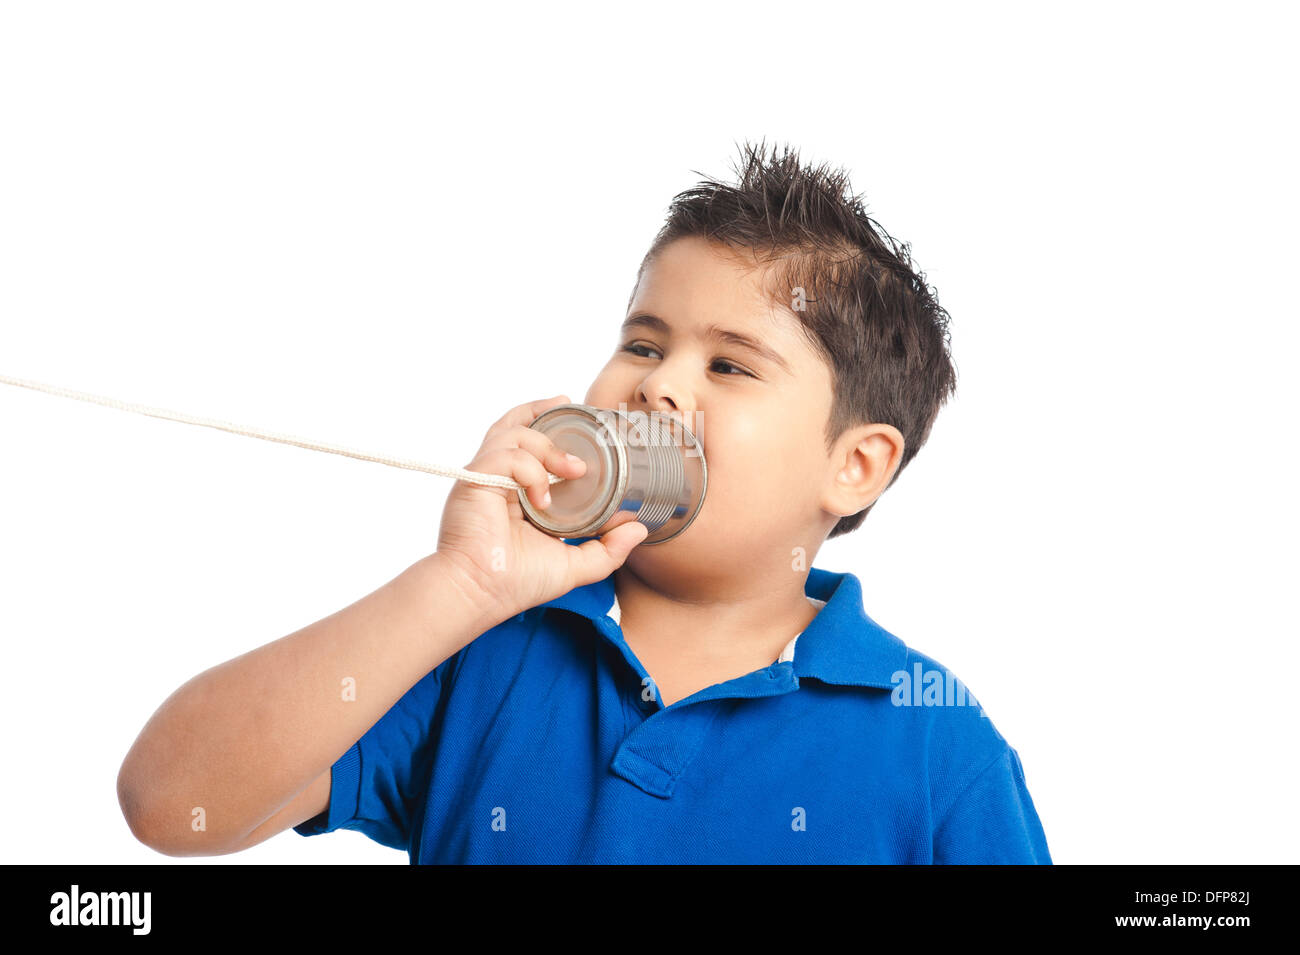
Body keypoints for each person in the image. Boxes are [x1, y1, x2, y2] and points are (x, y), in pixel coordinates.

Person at [117, 140, 1051, 863]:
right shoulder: (483, 649)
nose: (660, 387)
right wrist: (463, 584)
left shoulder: (937, 747)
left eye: (729, 364)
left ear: (855, 467)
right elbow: (169, 801)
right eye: (644, 344)